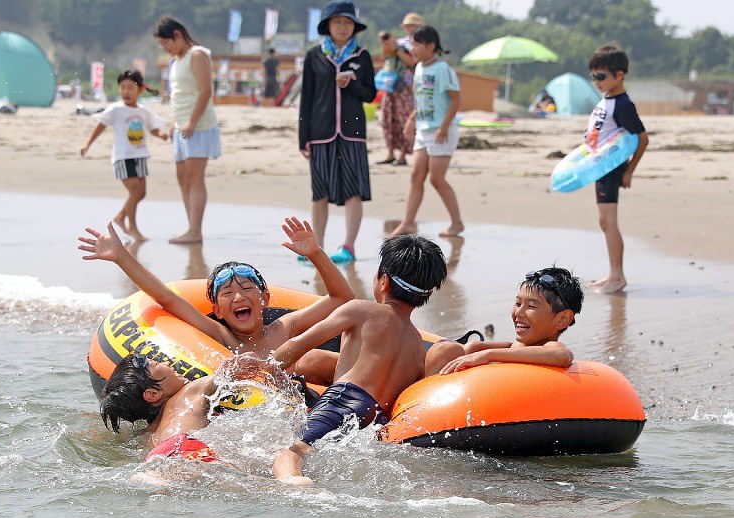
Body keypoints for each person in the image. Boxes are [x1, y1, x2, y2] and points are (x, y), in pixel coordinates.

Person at [78, 216, 353, 387]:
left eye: (247, 288)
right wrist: (121, 257)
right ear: (217, 311)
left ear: (265, 299)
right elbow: (166, 298)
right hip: (260, 409)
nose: (239, 297)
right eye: (228, 294)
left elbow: (342, 299)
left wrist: (315, 254)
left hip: (314, 395)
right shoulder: (222, 337)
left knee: (313, 359)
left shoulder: (285, 328)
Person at [268, 234, 448, 484]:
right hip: (377, 418)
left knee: (292, 451)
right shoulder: (418, 346)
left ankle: (293, 482)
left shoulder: (361, 310)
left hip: (343, 398)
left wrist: (263, 369)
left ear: (383, 280)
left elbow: (298, 344)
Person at [299, 1, 377, 263]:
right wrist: (303, 137)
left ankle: (348, 247)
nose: (343, 27)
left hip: (353, 133)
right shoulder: (315, 55)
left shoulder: (362, 56)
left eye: (347, 23)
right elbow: (306, 99)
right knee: (319, 192)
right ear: (328, 26)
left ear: (354, 26)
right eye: (337, 22)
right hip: (320, 133)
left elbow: (370, 94)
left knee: (354, 190)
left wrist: (352, 83)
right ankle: (316, 248)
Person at [100, 352, 283, 462]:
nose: (168, 364)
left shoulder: (148, 433)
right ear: (153, 394)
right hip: (185, 446)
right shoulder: (189, 392)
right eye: (158, 365)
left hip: (161, 455)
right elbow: (245, 362)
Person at [427, 267, 583, 376]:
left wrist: (490, 355)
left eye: (531, 306)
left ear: (562, 319)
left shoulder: (549, 347)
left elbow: (562, 354)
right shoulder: (511, 348)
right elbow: (475, 348)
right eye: (517, 303)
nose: (519, 312)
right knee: (448, 350)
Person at [585, 45, 649, 293]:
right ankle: (612, 273)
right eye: (593, 76)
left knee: (608, 222)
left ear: (619, 75)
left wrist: (629, 171)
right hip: (599, 167)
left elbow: (642, 139)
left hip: (611, 169)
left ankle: (617, 276)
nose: (596, 82)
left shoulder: (622, 105)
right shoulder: (607, 100)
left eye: (601, 76)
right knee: (605, 222)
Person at [390, 26, 464, 238]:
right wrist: (412, 120)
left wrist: (443, 126)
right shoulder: (419, 69)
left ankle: (457, 223)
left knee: (437, 179)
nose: (412, 48)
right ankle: (408, 223)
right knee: (416, 176)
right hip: (423, 130)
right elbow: (421, 99)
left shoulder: (442, 70)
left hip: (442, 131)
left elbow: (456, 99)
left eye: (417, 44)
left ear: (431, 46)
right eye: (412, 43)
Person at [154, 17, 222, 245]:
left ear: (177, 35)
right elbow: (179, 95)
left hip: (199, 126)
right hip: (181, 125)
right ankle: (190, 227)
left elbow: (205, 91)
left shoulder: (197, 54)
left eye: (166, 43)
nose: (166, 48)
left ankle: (195, 230)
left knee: (195, 177)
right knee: (182, 177)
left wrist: (192, 121)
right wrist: (174, 122)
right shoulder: (176, 60)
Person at [80, 71, 168, 241]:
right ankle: (133, 228)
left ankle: (120, 217)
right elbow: (101, 125)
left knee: (141, 193)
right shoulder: (116, 109)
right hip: (123, 157)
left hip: (140, 155)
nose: (126, 92)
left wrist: (161, 134)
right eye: (122, 88)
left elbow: (152, 128)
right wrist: (88, 144)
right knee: (135, 191)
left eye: (130, 88)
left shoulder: (143, 111)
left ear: (140, 90)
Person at [376, 31, 416, 166]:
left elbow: (412, 62)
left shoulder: (404, 47)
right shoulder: (388, 52)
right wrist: (386, 48)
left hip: (402, 89)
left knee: (402, 120)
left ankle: (403, 155)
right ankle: (391, 153)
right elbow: (385, 61)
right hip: (389, 88)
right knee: (387, 119)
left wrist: (397, 49)